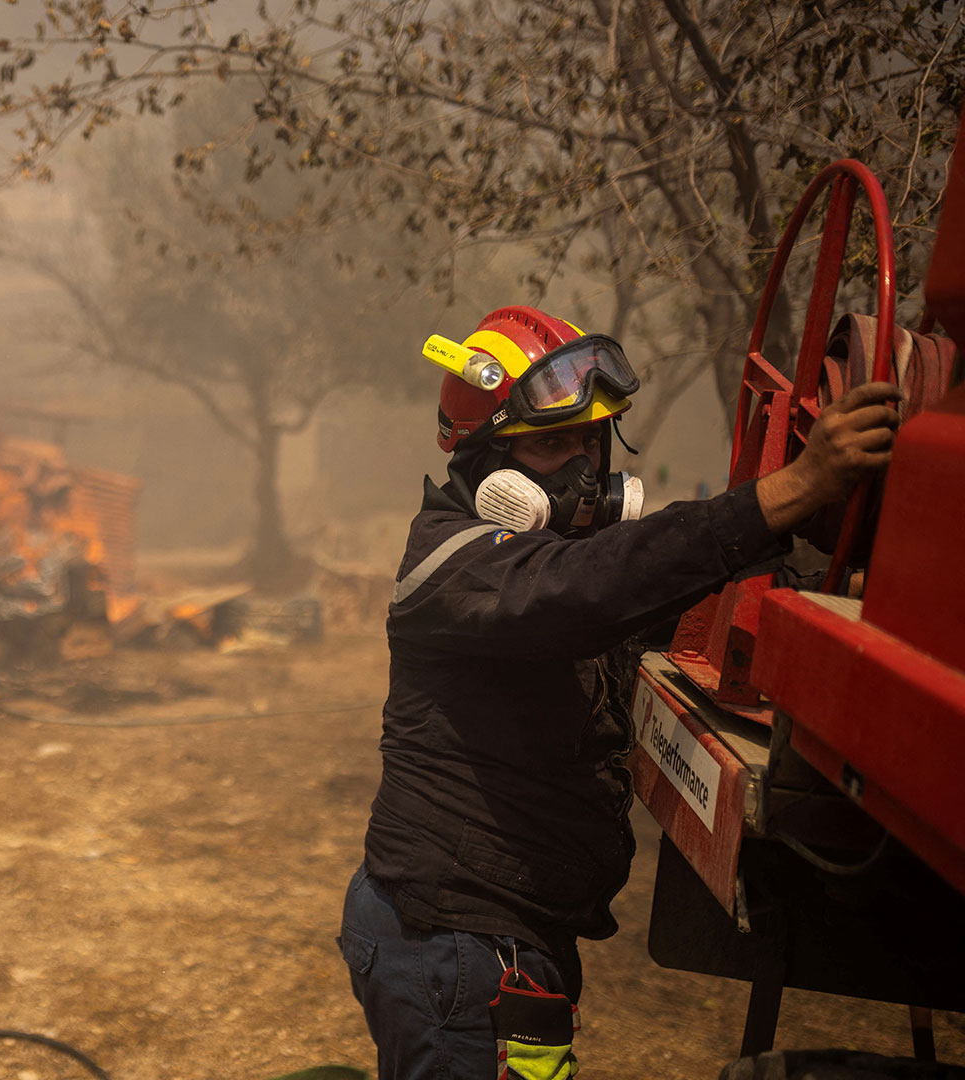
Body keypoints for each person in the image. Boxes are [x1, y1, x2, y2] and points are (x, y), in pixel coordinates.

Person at [336, 306, 902, 1080]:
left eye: (591, 441)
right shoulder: (455, 566)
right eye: (553, 443)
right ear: (485, 459)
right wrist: (792, 490)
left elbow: (686, 599)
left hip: (504, 941)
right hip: (455, 943)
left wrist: (868, 591)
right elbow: (597, 586)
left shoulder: (557, 557)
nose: (583, 467)